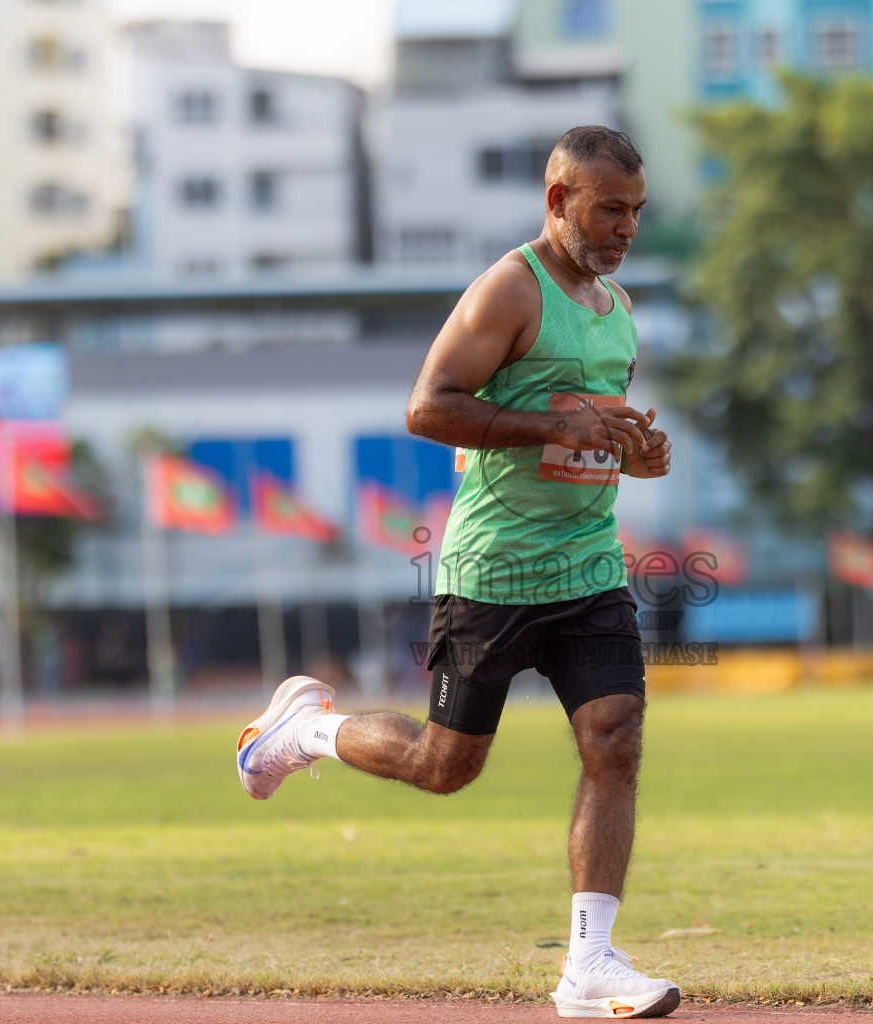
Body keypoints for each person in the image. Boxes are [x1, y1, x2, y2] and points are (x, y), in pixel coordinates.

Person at [234, 125, 677, 1019]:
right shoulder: (510, 288)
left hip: (587, 563)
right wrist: (559, 430)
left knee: (615, 738)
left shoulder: (616, 307)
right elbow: (427, 407)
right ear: (559, 201)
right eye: (610, 208)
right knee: (447, 766)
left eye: (637, 210)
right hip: (494, 572)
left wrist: (633, 454)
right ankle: (308, 729)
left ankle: (589, 966)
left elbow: (583, 434)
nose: (628, 227)